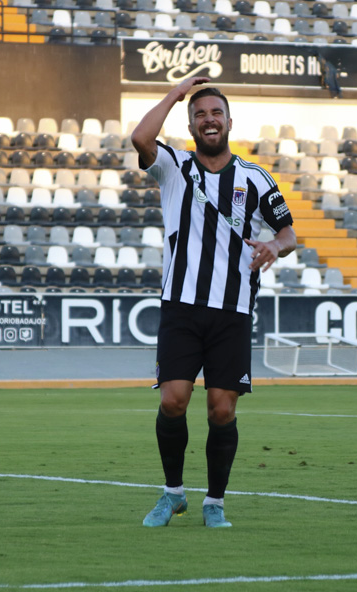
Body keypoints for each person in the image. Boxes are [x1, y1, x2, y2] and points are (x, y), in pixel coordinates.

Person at [131, 77, 296, 528]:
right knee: (173, 401)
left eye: (216, 113)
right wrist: (174, 93)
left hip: (233, 310)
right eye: (200, 113)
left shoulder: (255, 178)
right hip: (181, 307)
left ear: (228, 122)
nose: (209, 119)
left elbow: (288, 233)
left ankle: (215, 503)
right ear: (190, 122)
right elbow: (141, 138)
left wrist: (274, 248)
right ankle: (172, 495)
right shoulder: (173, 165)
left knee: (222, 408)